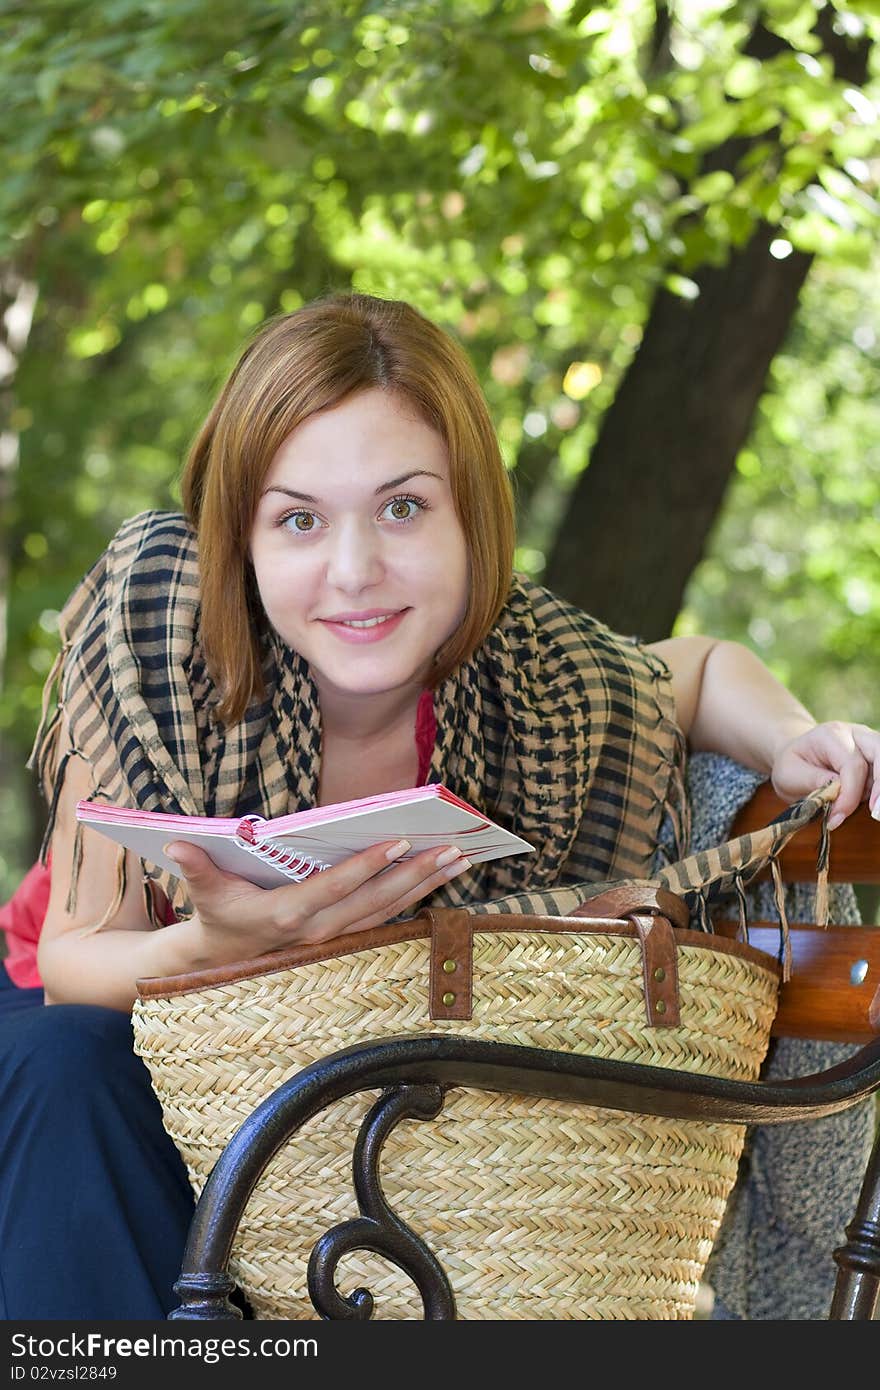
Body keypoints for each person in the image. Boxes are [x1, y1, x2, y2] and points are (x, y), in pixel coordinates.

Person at [1, 292, 877, 1320]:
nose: (354, 569)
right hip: (104, 1047)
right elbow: (71, 968)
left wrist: (786, 739)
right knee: (72, 1065)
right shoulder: (157, 635)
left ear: (472, 516)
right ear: (239, 538)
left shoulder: (533, 674)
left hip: (344, 1098)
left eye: (404, 507)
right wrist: (219, 945)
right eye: (297, 519)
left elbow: (693, 670)